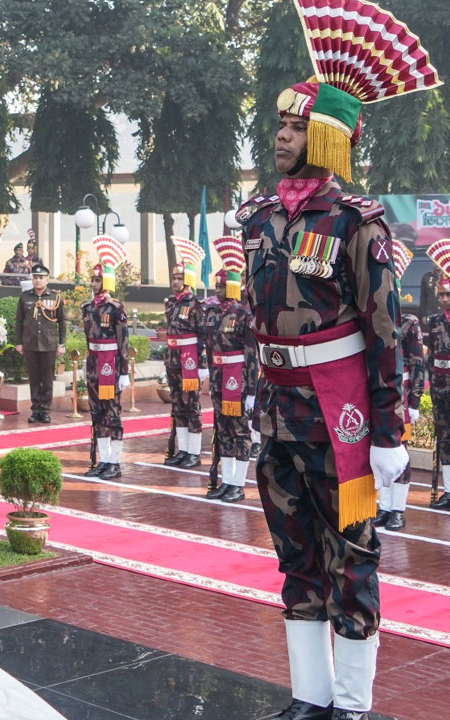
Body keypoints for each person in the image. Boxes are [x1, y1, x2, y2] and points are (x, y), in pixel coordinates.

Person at [238, 8, 435, 714]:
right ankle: (310, 697)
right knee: (296, 558)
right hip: (280, 418)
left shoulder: (358, 223)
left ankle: (350, 703)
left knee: (352, 555)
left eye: (293, 126)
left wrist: (389, 437)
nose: (279, 136)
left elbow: (387, 335)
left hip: (344, 420)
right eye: (281, 124)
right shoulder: (260, 218)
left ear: (324, 136)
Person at [204, 239, 257, 503]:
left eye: (223, 285)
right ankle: (227, 481)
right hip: (218, 377)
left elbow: (251, 355)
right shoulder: (212, 312)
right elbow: (208, 344)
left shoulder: (245, 315)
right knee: (222, 429)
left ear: (234, 286)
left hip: (237, 379)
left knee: (239, 431)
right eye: (216, 285)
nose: (218, 289)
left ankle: (238, 483)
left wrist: (251, 391)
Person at [379, 241, 420, 529]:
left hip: (402, 391)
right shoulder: (377, 317)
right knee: (381, 443)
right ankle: (383, 506)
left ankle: (398, 508)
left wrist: (415, 401)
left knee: (401, 449)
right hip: (381, 390)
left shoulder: (409, 323)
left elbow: (418, 363)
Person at [81, 238, 130, 480]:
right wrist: (85, 364)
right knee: (96, 414)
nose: (93, 283)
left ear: (106, 281)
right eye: (92, 279)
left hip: (110, 365)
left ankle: (115, 462)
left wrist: (124, 372)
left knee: (113, 414)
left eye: (98, 279)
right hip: (93, 364)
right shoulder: (87, 307)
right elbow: (87, 338)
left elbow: (123, 342)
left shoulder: (115, 308)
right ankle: (103, 460)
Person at [162, 245, 208, 468]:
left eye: (179, 278)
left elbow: (204, 335)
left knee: (192, 405)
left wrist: (203, 364)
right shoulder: (170, 303)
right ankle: (183, 449)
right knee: (177, 404)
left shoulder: (196, 304)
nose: (175, 281)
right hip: (173, 359)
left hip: (190, 360)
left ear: (188, 279)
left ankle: (194, 452)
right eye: (173, 277)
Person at [15, 263, 65, 423]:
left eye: (41, 278)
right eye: (35, 277)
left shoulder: (55, 298)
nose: (38, 281)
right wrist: (19, 342)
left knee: (47, 378)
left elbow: (62, 322)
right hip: (30, 344)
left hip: (48, 343)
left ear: (47, 280)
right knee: (34, 378)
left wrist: (62, 344)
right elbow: (19, 321)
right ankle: (35, 409)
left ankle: (45, 410)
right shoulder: (25, 297)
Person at [424, 240, 450, 511]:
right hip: (441, 389)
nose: (443, 299)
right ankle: (448, 491)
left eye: (447, 294)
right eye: (441, 294)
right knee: (444, 439)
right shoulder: (433, 322)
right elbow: (430, 357)